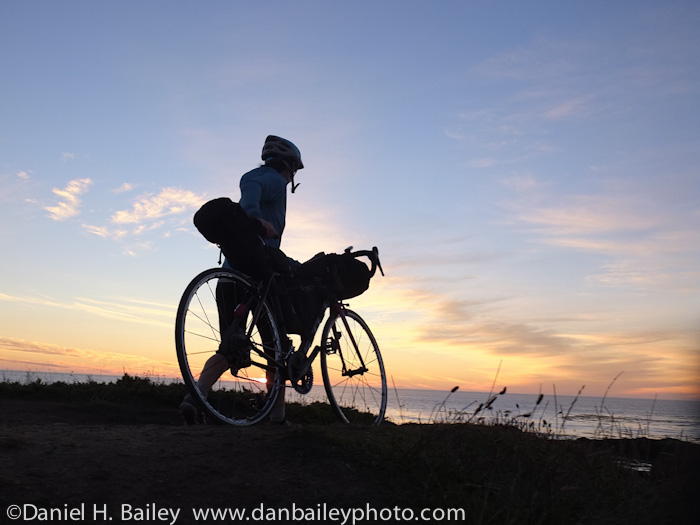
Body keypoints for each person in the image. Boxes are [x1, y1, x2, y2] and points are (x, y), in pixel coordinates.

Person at [179, 135, 304, 425]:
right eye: (293, 171)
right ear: (289, 167)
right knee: (275, 345)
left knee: (232, 343)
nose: (291, 177)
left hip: (228, 279)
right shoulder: (270, 178)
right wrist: (255, 217)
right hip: (258, 277)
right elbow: (251, 185)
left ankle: (195, 396)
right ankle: (277, 416)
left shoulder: (267, 178)